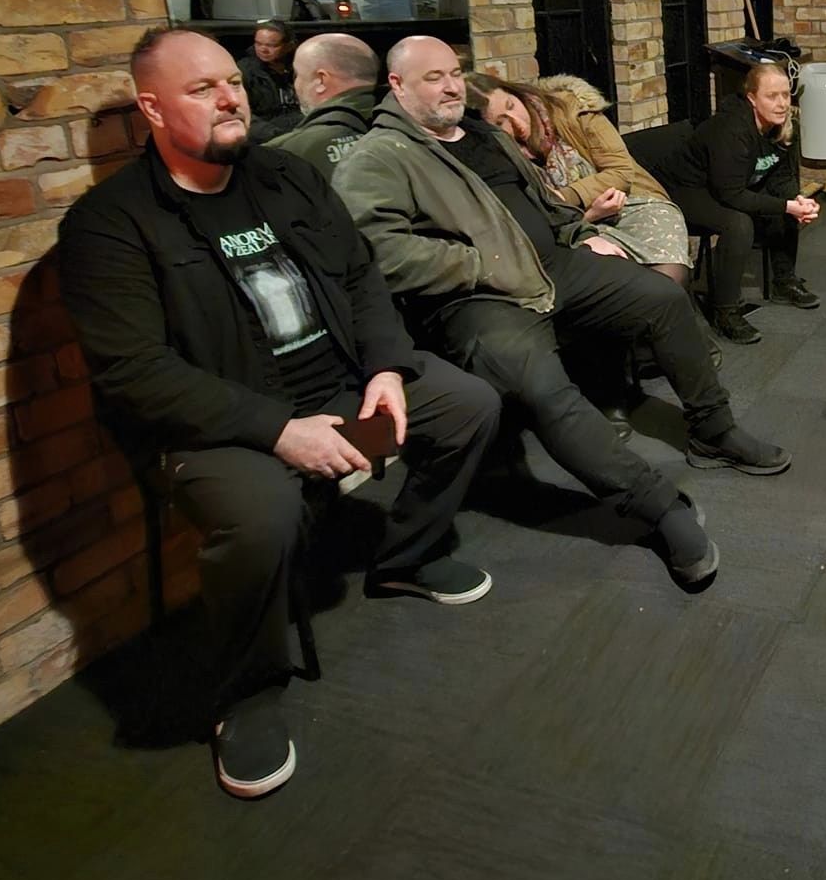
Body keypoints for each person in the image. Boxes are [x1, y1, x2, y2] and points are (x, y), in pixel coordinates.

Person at [57, 28, 501, 801]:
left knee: (468, 403)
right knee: (262, 516)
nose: (229, 98)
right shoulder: (110, 224)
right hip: (223, 421)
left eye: (231, 82)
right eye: (202, 89)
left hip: (337, 384)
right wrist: (279, 432)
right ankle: (248, 691)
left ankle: (405, 557)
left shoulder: (286, 176)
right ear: (152, 109)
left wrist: (387, 369)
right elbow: (135, 372)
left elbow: (360, 276)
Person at [333, 37, 787, 552]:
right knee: (544, 388)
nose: (451, 86)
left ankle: (713, 430)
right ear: (396, 85)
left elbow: (540, 203)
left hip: (552, 264)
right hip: (478, 297)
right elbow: (379, 253)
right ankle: (654, 503)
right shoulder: (379, 157)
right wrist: (482, 265)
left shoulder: (485, 135)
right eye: (433, 78)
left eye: (455, 73)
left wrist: (579, 230)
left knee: (662, 297)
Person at [649, 61, 820, 345]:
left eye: (785, 95)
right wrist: (786, 206)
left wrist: (797, 202)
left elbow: (784, 177)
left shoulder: (787, 127)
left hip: (728, 184)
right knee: (738, 223)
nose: (781, 104)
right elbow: (732, 196)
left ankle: (784, 280)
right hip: (682, 188)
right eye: (771, 96)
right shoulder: (731, 129)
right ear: (752, 98)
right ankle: (725, 311)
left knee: (781, 202)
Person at [471, 72, 694, 287]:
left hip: (632, 203)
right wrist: (589, 215)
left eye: (511, 106)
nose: (517, 123)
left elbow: (620, 171)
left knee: (669, 275)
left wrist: (561, 198)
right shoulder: (498, 159)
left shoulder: (572, 107)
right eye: (500, 123)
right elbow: (536, 223)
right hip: (575, 225)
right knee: (621, 283)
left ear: (516, 93)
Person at [269, 32, 381, 172]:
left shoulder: (283, 153)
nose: (295, 84)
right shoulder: (402, 131)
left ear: (321, 80)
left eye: (297, 75)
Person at [238, 17, 301, 139]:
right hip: (269, 137)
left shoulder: (301, 66)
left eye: (271, 45)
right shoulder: (244, 71)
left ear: (289, 46)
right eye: (258, 43)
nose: (263, 50)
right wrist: (273, 134)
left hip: (303, 130)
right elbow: (242, 112)